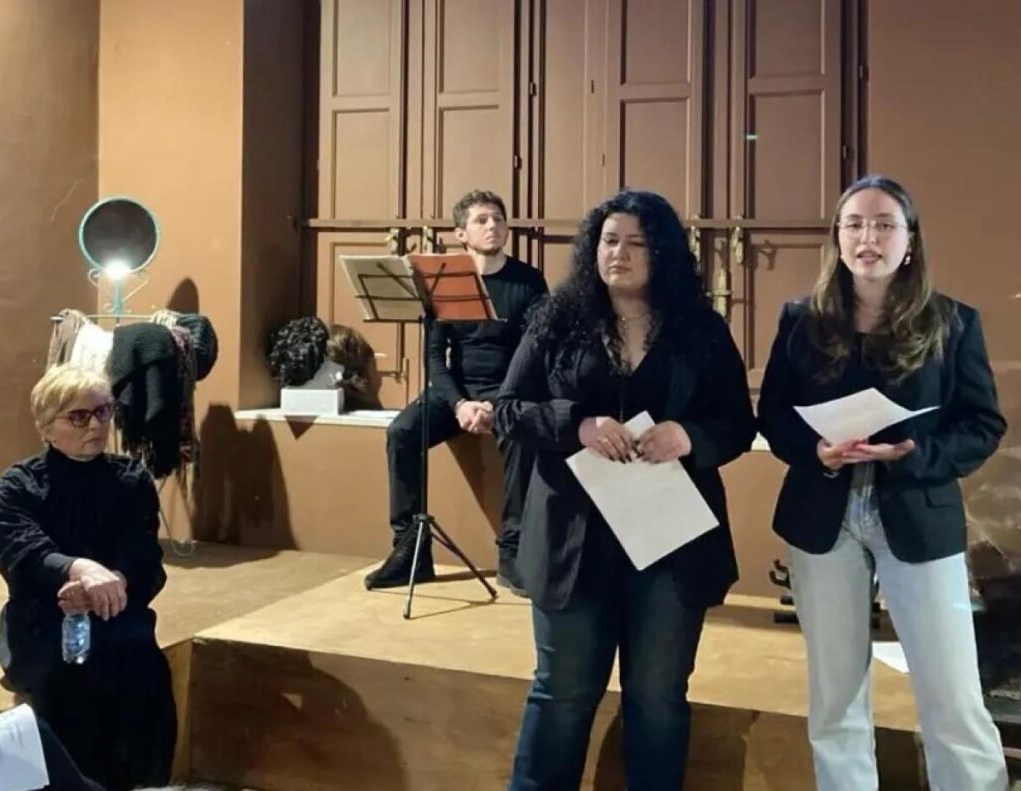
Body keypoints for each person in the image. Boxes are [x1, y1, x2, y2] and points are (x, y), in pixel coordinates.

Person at [495, 189, 755, 789]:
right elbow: (508, 410)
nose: (620, 253)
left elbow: (738, 424)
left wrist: (689, 437)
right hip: (572, 539)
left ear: (663, 254)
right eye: (610, 240)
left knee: (657, 695)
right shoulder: (556, 319)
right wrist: (576, 425)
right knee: (561, 693)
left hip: (669, 540)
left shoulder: (701, 329)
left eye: (637, 243)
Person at [757, 175, 1009, 790]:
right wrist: (816, 449)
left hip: (916, 512)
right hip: (825, 516)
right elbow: (773, 416)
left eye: (884, 224)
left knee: (953, 696)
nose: (867, 237)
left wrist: (914, 454)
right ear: (838, 238)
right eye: (854, 224)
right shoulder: (802, 320)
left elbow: (982, 426)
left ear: (910, 241)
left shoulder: (952, 322)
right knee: (836, 699)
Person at [0, 365, 177, 791]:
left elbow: (144, 558)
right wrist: (78, 570)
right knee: (66, 688)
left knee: (144, 678)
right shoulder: (18, 485)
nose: (95, 425)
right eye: (79, 417)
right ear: (47, 426)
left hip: (117, 620)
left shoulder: (130, 480)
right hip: (43, 623)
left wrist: (112, 583)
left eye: (102, 412)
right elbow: (24, 553)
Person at [365, 189, 548, 593]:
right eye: (482, 220)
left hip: (509, 390)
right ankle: (411, 551)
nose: (493, 225)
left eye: (498, 218)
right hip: (459, 392)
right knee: (402, 432)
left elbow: (535, 353)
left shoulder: (529, 281)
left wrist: (499, 403)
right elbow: (435, 357)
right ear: (461, 233)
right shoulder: (444, 282)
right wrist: (460, 403)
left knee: (524, 438)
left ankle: (513, 553)